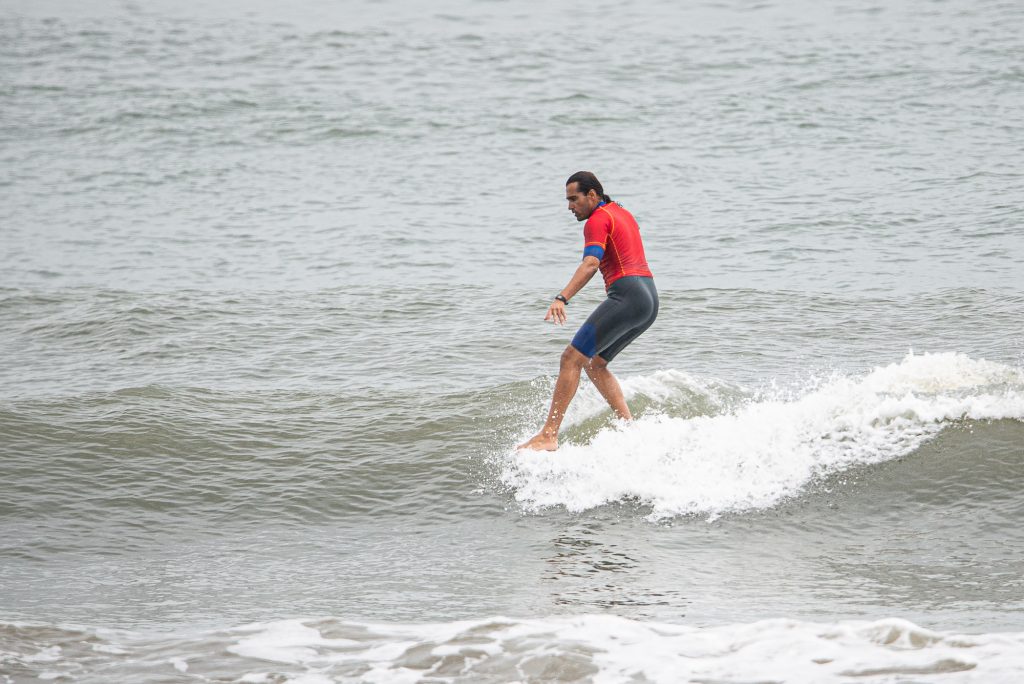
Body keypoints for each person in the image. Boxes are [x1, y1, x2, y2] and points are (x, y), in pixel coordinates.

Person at [518, 172, 658, 451]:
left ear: (592, 195)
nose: (570, 206)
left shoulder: (597, 219)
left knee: (570, 358)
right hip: (649, 299)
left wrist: (562, 297)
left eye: (574, 199)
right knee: (595, 364)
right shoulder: (621, 212)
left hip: (628, 295)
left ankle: (548, 435)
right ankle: (628, 427)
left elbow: (591, 263)